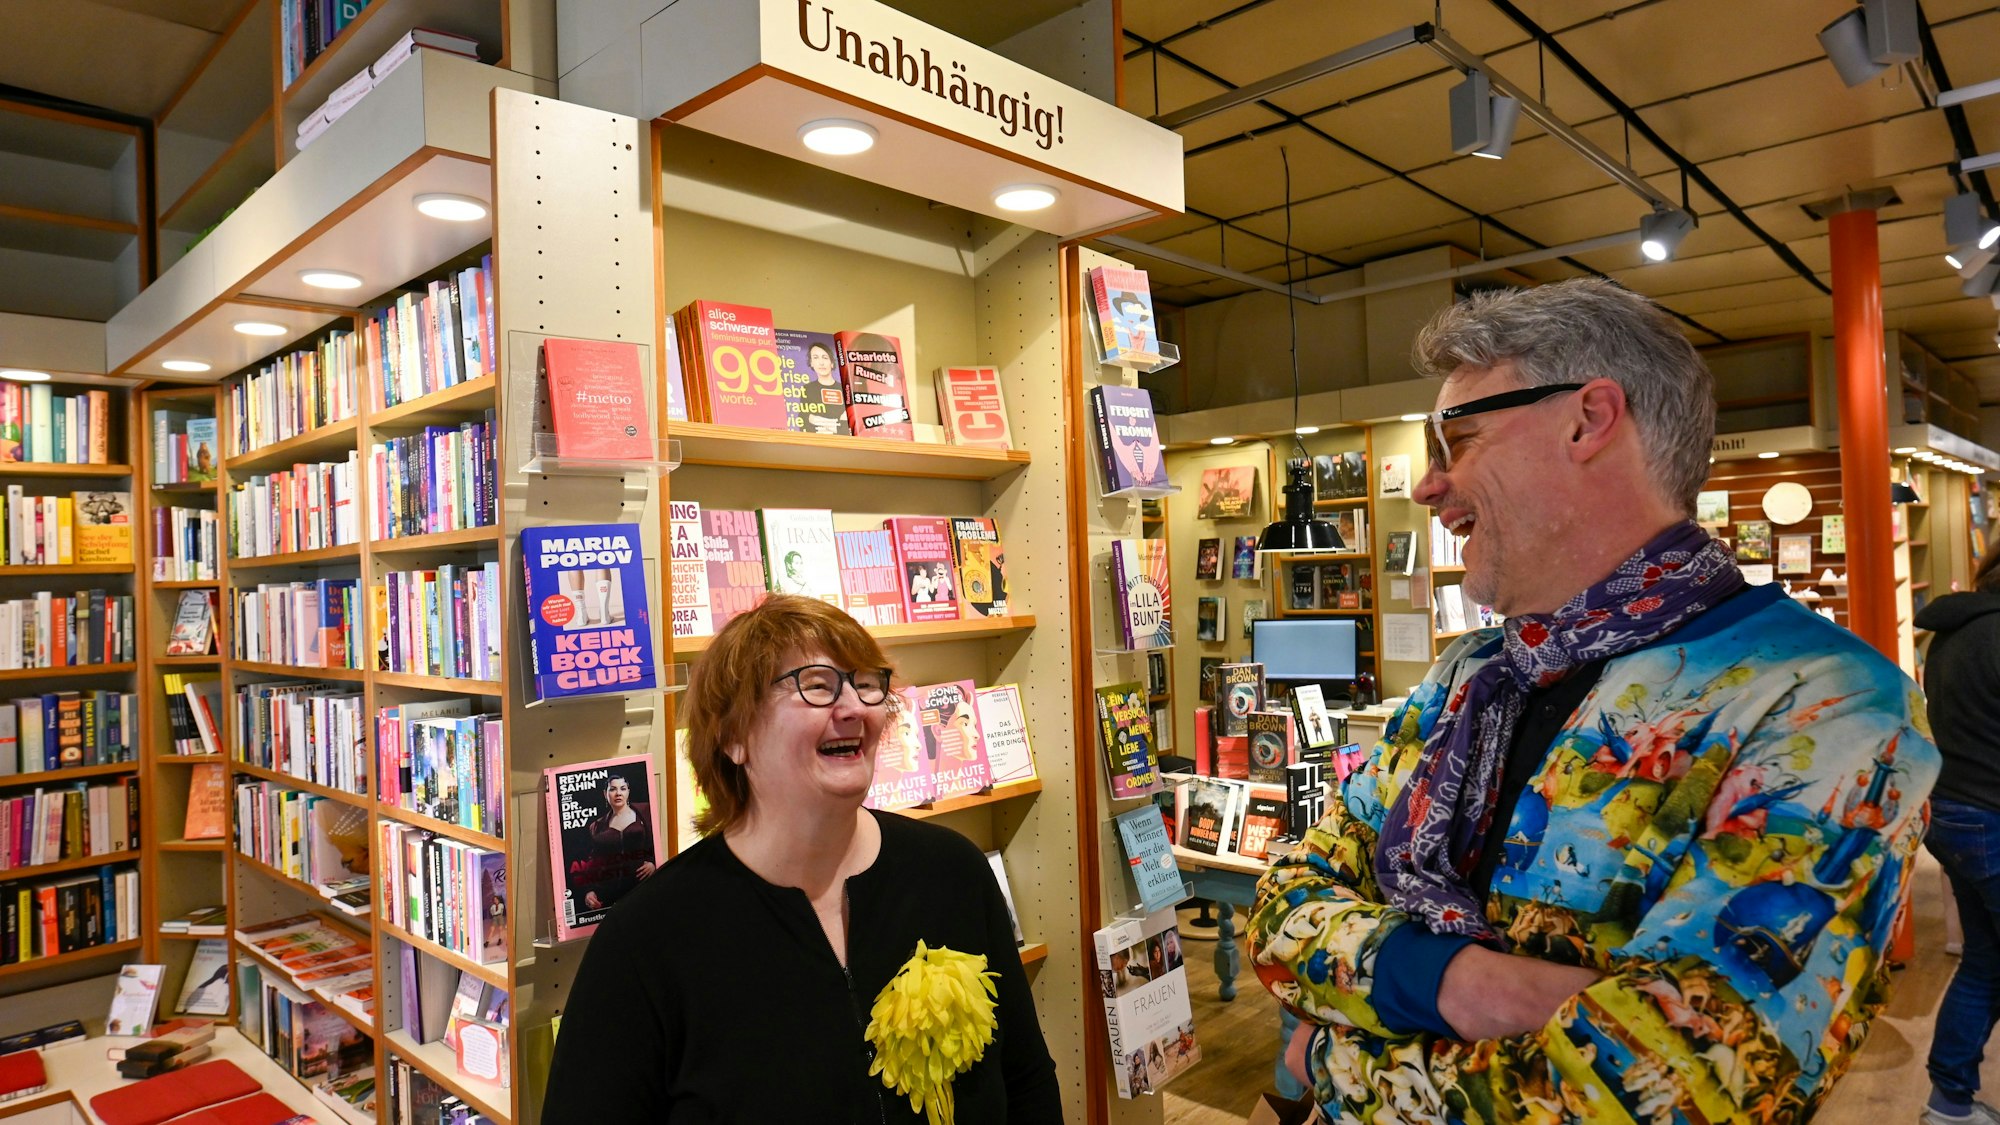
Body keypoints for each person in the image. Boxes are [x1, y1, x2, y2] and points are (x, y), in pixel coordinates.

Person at [1248, 278, 1937, 1123]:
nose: (1429, 486)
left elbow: (1676, 1087)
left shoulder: (1828, 707)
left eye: (1456, 440)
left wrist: (1325, 1048)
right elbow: (1284, 896)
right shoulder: (1469, 673)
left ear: (1588, 419)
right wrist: (1467, 986)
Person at [542, 595, 1061, 1123]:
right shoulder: (647, 942)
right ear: (733, 737)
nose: (855, 707)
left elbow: (1026, 1083)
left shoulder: (953, 873)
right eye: (816, 686)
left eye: (865, 683)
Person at [1915, 543, 2000, 1125]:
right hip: (1991, 815)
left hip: (1954, 812)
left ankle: (1949, 1103)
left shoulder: (1955, 630)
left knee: (1986, 961)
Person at [577, 771, 655, 911]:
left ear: (628, 792)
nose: (618, 793)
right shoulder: (596, 827)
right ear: (605, 794)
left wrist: (653, 863)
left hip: (642, 888)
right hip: (610, 894)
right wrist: (589, 891)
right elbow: (592, 862)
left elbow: (657, 841)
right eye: (612, 789)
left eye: (622, 788)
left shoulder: (646, 811)